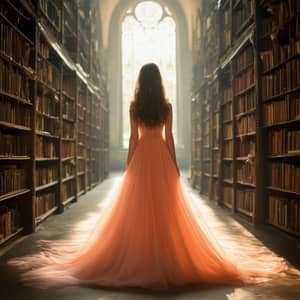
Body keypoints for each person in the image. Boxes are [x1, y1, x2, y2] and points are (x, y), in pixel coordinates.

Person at [7, 63, 289, 291]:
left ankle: (142, 255)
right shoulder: (166, 107)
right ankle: (170, 256)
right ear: (160, 82)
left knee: (137, 209)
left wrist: (130, 165)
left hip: (142, 157)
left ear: (141, 81)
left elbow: (132, 139)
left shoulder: (134, 107)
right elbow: (169, 139)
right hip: (161, 159)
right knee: (168, 209)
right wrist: (175, 166)